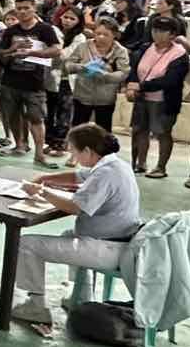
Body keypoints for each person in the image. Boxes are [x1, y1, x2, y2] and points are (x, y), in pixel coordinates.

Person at [11, 124, 142, 329]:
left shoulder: (104, 174)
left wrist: (41, 192)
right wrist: (45, 178)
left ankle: (35, 305)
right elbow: (77, 176)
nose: (72, 155)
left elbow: (75, 207)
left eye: (73, 151)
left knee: (26, 244)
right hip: (120, 240)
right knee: (69, 234)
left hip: (108, 247)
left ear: (88, 151)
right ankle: (81, 295)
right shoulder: (115, 165)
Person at [0, 0, 62, 168]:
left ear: (34, 8)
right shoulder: (10, 31)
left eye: (26, 8)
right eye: (19, 8)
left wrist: (32, 53)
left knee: (36, 118)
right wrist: (13, 49)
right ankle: (19, 145)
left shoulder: (45, 29)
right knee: (13, 116)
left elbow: (56, 50)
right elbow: (1, 54)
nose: (22, 12)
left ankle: (39, 153)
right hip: (11, 81)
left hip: (35, 82)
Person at [125, 16, 188, 178]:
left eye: (162, 31)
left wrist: (141, 86)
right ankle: (140, 163)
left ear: (173, 35)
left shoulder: (180, 54)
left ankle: (161, 167)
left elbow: (171, 80)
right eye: (154, 30)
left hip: (164, 101)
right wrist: (132, 86)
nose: (156, 33)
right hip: (141, 99)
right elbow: (134, 70)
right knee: (139, 131)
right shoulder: (146, 47)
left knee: (163, 133)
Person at [63, 19, 129, 134]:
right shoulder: (83, 46)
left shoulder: (120, 51)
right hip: (82, 96)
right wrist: (80, 67)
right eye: (98, 34)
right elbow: (68, 65)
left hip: (105, 98)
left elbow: (123, 72)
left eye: (106, 34)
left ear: (115, 35)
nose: (101, 37)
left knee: (103, 131)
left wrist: (107, 76)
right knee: (78, 129)